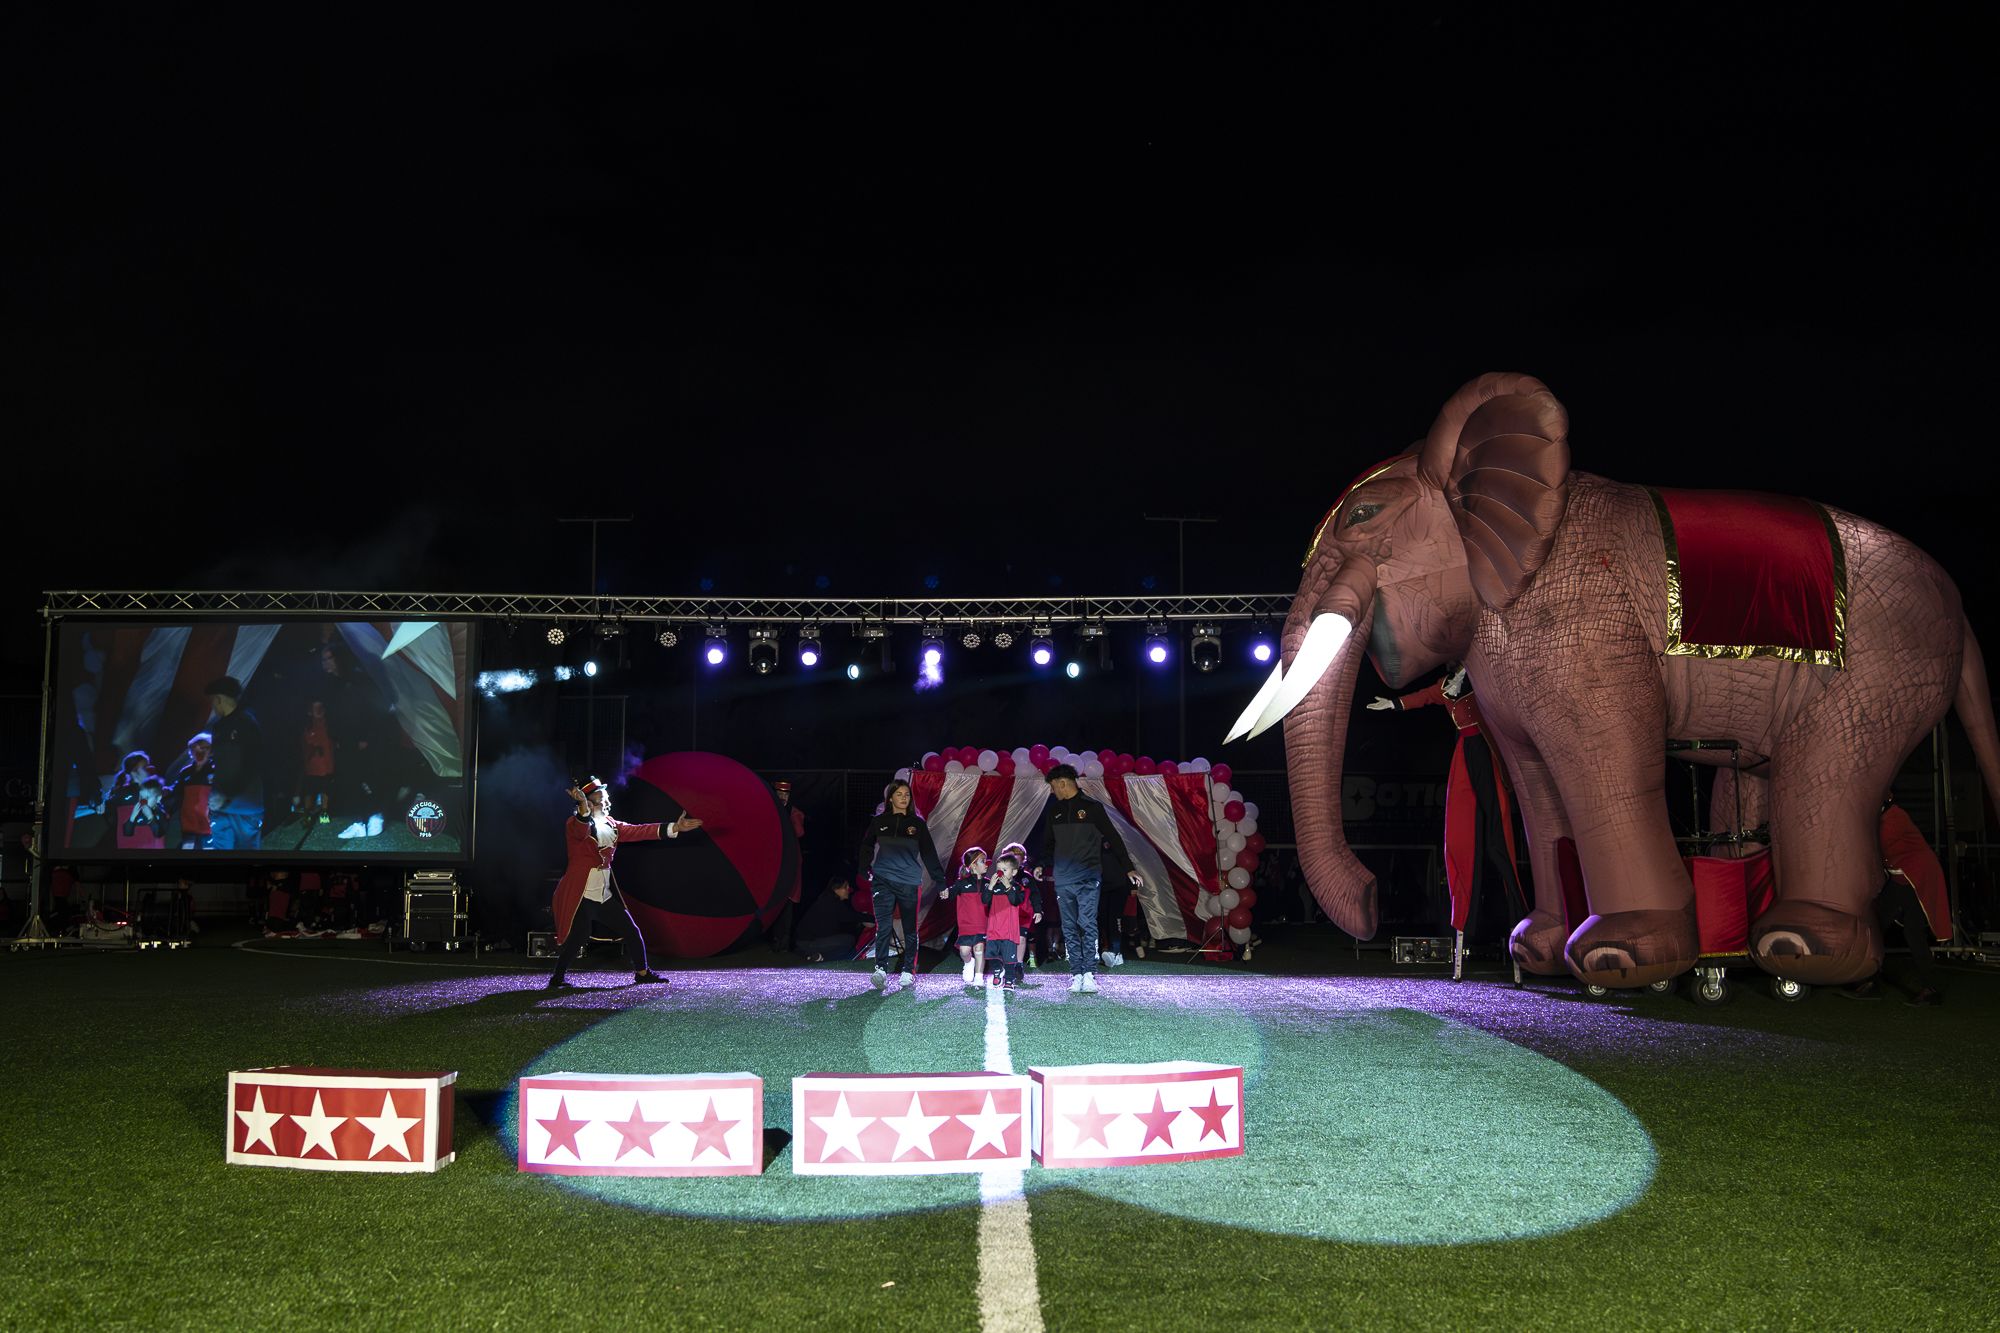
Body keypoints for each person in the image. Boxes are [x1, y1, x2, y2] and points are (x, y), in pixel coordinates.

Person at [1368, 663, 1523, 979]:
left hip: (1487, 750)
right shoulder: (1443, 684)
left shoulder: (1483, 677)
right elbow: (1422, 697)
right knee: (1461, 839)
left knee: (1499, 838)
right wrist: (1394, 704)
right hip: (1464, 751)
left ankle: (1518, 926)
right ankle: (1462, 927)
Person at [548, 776, 703, 990]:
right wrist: (583, 807)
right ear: (590, 802)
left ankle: (642, 973)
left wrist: (674, 827)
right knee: (577, 938)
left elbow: (640, 831)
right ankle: (557, 978)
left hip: (603, 894)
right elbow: (580, 829)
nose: (607, 802)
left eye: (606, 797)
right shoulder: (574, 824)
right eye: (602, 799)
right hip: (581, 895)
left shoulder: (612, 825)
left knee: (631, 930)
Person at [1036, 764, 1142, 994]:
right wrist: (1040, 864)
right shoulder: (1054, 811)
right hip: (1063, 879)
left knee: (1087, 924)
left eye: (1054, 787)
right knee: (1069, 926)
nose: (1052, 792)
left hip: (1088, 878)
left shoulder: (1093, 808)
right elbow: (1047, 844)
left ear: (1063, 783)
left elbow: (1114, 838)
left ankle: (1089, 974)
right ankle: (1076, 974)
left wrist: (1129, 868)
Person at [1840, 796, 1950, 1005]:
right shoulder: (1883, 817)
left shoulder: (1893, 818)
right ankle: (1870, 980)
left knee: (1907, 930)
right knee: (1880, 925)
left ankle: (1929, 988)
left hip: (1914, 878)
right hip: (1902, 878)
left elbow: (1873, 844)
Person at [856, 777, 946, 992]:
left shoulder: (917, 824)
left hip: (908, 882)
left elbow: (929, 854)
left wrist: (941, 881)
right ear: (890, 799)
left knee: (909, 928)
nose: (904, 798)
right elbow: (866, 846)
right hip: (882, 881)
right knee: (884, 926)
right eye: (899, 794)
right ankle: (880, 969)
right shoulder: (879, 822)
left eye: (907, 795)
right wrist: (864, 868)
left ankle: (908, 971)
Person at [203, 676, 264, 851]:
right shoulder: (219, 728)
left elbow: (253, 764)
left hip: (245, 808)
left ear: (219, 699)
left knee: (246, 860)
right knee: (222, 861)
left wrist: (226, 793)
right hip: (221, 808)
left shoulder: (247, 724)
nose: (213, 707)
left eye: (212, 701)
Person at [982, 851, 1038, 988]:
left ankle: (1009, 981)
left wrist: (1008, 886)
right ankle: (997, 969)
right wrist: (990, 887)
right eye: (998, 870)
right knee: (990, 954)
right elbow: (984, 901)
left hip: (1009, 929)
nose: (1000, 873)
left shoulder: (1017, 887)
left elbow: (1015, 901)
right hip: (994, 927)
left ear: (1013, 872)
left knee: (1009, 958)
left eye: (1004, 870)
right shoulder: (992, 886)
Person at [941, 847, 991, 987]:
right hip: (966, 926)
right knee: (964, 952)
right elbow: (950, 893)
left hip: (982, 925)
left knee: (979, 949)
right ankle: (969, 963)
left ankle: (979, 977)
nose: (986, 864)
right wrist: (945, 893)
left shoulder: (988, 883)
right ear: (973, 865)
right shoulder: (961, 883)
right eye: (982, 861)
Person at [793, 875, 870, 962]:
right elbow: (852, 916)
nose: (849, 889)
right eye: (845, 887)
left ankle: (812, 955)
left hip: (805, 941)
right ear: (836, 889)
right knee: (848, 940)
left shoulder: (828, 900)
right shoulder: (832, 902)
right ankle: (820, 957)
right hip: (808, 942)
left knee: (843, 940)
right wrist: (874, 917)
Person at [167, 732, 215, 849]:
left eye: (204, 748)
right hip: (188, 823)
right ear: (191, 751)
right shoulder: (186, 772)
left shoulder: (216, 770)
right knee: (188, 852)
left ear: (211, 751)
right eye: (195, 748)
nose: (199, 751)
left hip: (209, 825)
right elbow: (176, 792)